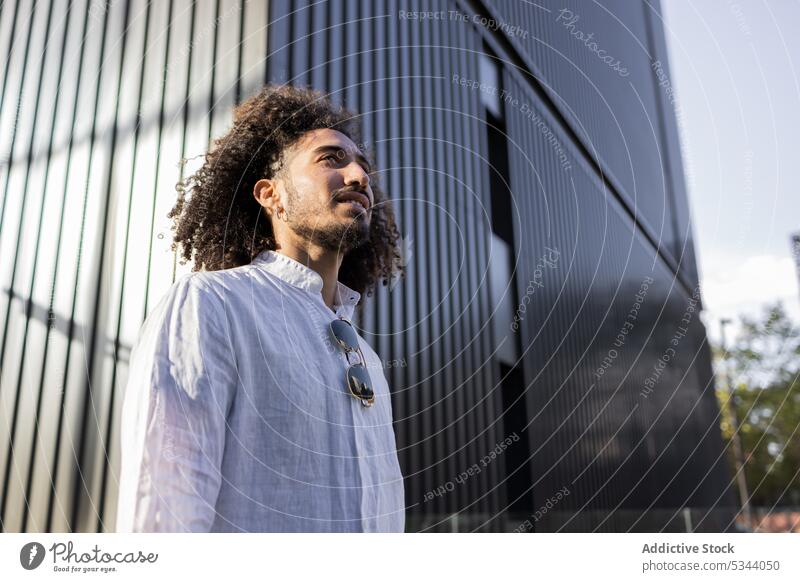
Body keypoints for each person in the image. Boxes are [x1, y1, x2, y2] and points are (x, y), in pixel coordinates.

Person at [115, 84, 406, 532]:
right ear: (272, 195)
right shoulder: (212, 306)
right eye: (331, 159)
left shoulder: (366, 359)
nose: (358, 176)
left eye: (362, 166)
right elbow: (163, 510)